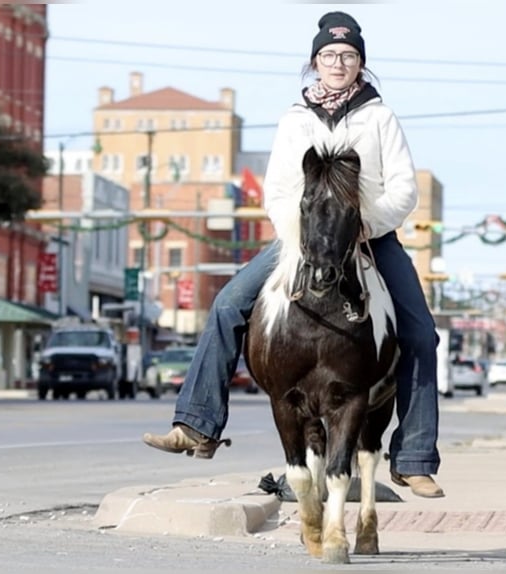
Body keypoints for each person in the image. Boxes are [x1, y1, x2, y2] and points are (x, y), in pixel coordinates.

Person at [143, 11, 444, 499]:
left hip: (370, 237)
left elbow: (404, 188)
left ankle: (412, 458)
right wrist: (301, 237)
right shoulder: (294, 119)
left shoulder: (380, 116)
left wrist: (368, 224)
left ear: (361, 63)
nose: (338, 63)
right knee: (226, 304)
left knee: (421, 334)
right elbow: (279, 190)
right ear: (315, 63)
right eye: (329, 55)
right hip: (300, 240)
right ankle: (197, 424)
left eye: (347, 56)